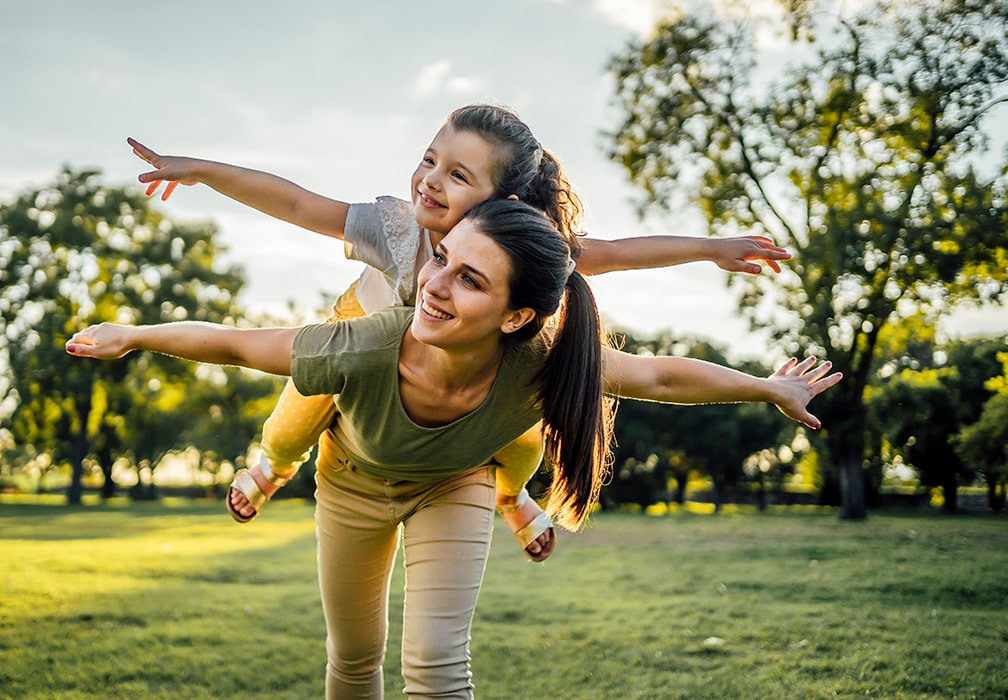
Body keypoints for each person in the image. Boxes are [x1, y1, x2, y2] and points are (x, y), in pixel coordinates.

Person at [67, 198, 840, 699]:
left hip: (457, 485)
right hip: (352, 485)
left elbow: (660, 377)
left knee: (437, 666)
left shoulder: (538, 363)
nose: (435, 285)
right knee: (356, 655)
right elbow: (239, 344)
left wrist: (768, 387)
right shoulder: (367, 344)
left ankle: (514, 497)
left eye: (470, 279)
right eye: (443, 259)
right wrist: (134, 334)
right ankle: (277, 465)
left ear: (514, 316)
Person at [128, 104, 791, 561]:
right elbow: (301, 204)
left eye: (457, 175)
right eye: (428, 160)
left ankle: (513, 494)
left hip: (464, 374)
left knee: (525, 421)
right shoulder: (395, 226)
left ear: (501, 203)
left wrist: (710, 247)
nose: (429, 181)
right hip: (366, 347)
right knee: (304, 404)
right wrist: (203, 171)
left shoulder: (521, 250)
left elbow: (613, 253)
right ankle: (271, 466)